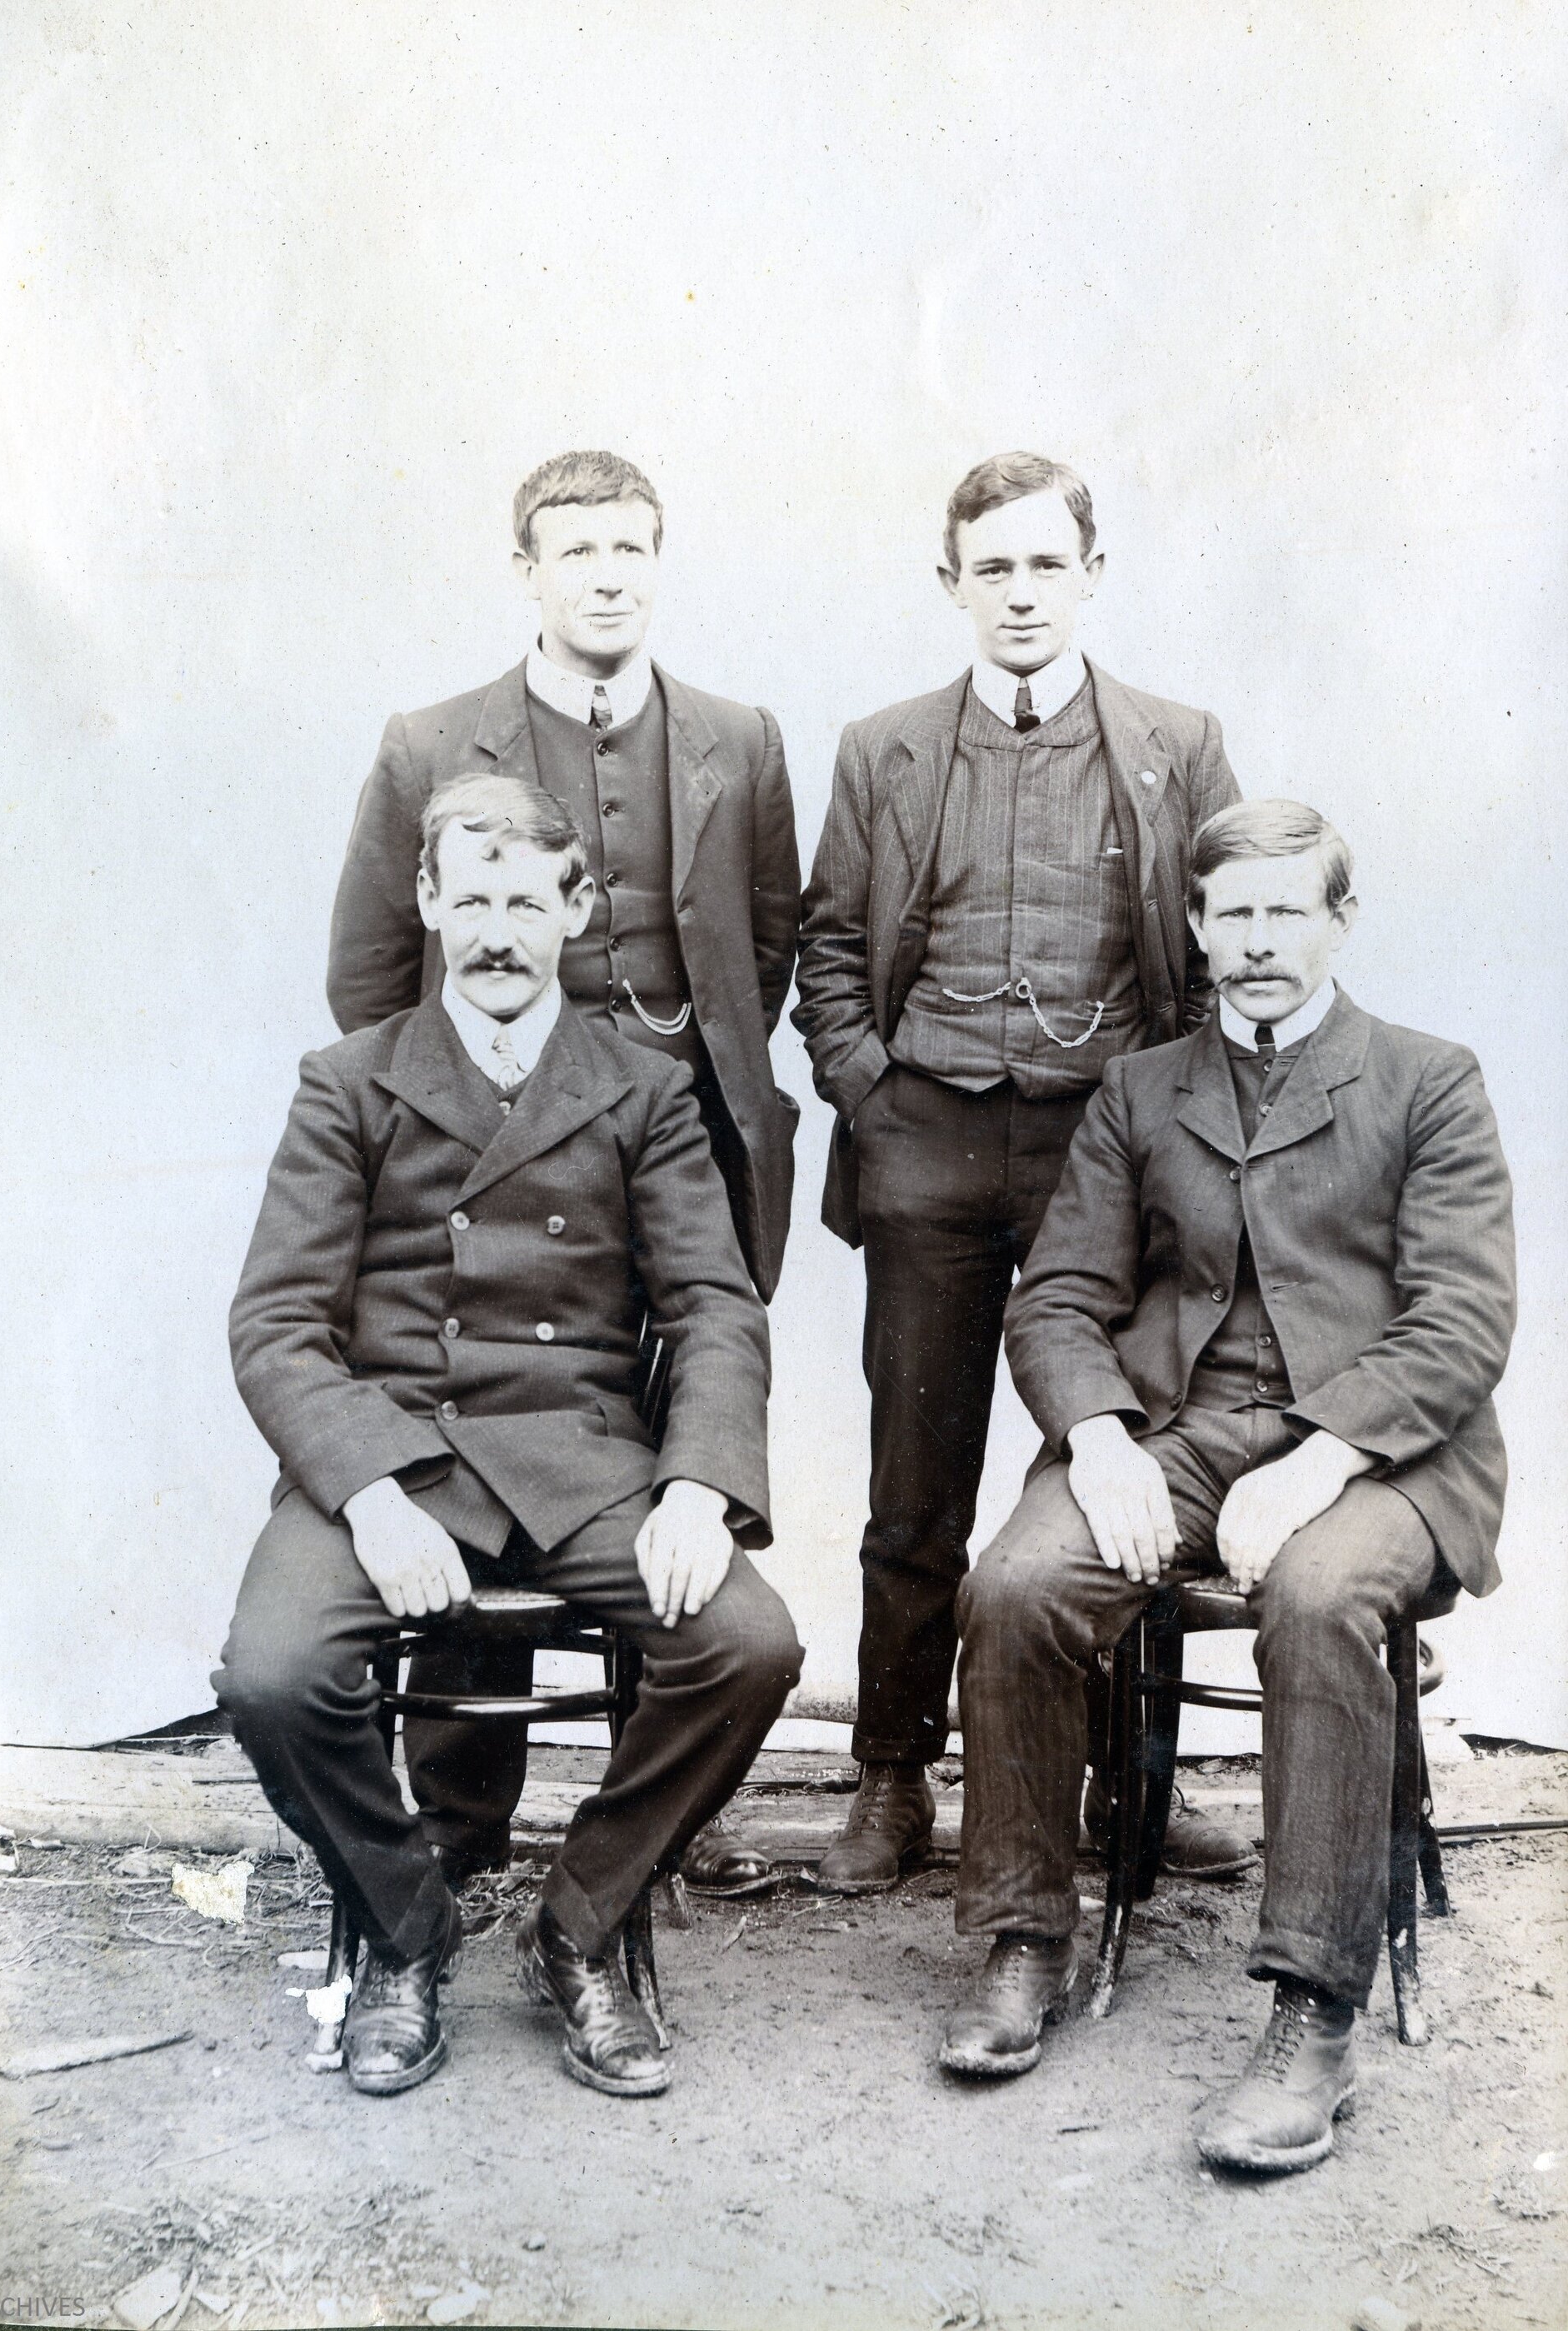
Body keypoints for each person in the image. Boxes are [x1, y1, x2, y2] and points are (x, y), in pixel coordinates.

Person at [941, 801, 1515, 2175]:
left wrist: (1323, 1456)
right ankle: (1024, 1939)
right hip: (1183, 1431)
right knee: (1015, 1581)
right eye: (1232, 915)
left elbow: (1460, 1321)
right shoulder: (1143, 1090)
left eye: (1285, 913)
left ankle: (1315, 2011)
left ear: (1339, 920)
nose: (1258, 943)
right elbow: (1060, 1299)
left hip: (1384, 1451)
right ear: (1196, 927)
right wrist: (1100, 1437)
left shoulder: (1429, 1078)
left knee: (1317, 1599)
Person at [216, 774, 802, 2100]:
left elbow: (714, 1303)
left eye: (524, 902)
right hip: (392, 1447)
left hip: (579, 1455)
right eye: (468, 898)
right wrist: (366, 1493)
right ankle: (406, 1928)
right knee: (271, 1672)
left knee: (748, 1643)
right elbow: (276, 1324)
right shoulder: (348, 1083)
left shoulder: (643, 1090)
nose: (493, 930)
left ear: (576, 912)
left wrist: (701, 1485)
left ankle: (579, 1924)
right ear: (425, 902)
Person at [326, 450, 801, 1899]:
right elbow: (366, 980)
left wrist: (653, 1086)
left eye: (632, 548)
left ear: (661, 563)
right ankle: (464, 1828)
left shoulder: (737, 734)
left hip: (682, 1140)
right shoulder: (430, 742)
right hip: (487, 1144)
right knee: (484, 1420)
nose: (608, 574)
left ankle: (638, 1832)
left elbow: (764, 948)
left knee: (658, 1465)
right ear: (525, 568)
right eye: (576, 549)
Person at [792, 452, 1246, 1890]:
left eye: (1048, 564)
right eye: (994, 568)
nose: (1023, 593)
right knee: (914, 1485)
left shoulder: (1178, 743)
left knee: (1101, 1466)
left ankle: (1125, 1783)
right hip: (926, 1143)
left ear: (1092, 576)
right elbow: (824, 946)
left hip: (1101, 1163)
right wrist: (873, 1095)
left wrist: (1165, 1145)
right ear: (953, 586)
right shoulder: (886, 749)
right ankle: (890, 1779)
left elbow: (1218, 957)